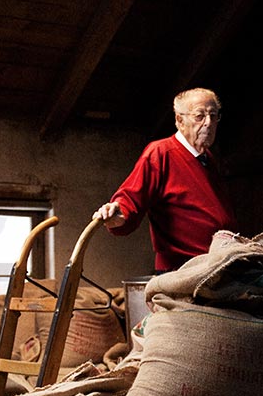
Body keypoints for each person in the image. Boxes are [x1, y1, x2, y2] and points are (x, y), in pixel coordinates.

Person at [93, 87, 237, 273]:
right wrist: (118, 213)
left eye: (213, 115)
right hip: (182, 272)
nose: (208, 123)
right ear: (179, 120)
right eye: (199, 116)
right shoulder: (161, 153)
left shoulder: (208, 158)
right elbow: (131, 199)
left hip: (218, 266)